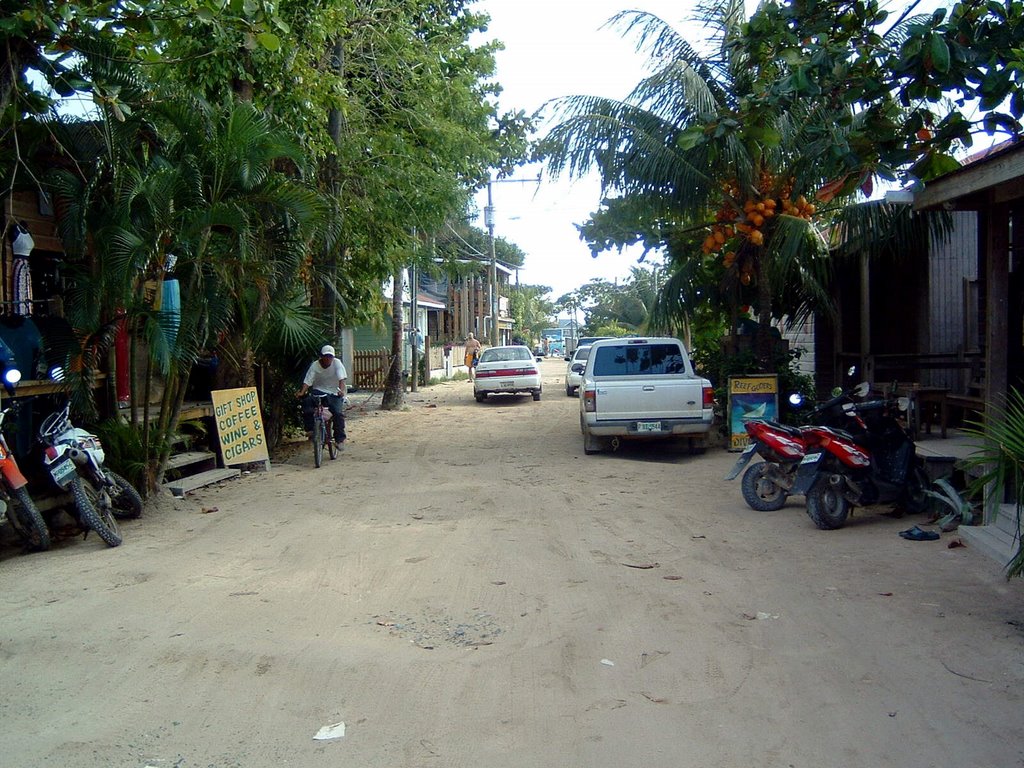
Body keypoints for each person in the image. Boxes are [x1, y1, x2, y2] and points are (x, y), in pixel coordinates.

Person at [296, 344, 347, 449]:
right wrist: (302, 392)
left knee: (337, 413)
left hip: (334, 392)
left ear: (333, 357)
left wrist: (341, 391)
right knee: (307, 403)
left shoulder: (337, 363)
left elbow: (341, 379)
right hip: (318, 391)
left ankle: (339, 439)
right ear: (321, 356)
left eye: (330, 356)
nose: (328, 359)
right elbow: (308, 380)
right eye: (326, 356)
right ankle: (310, 429)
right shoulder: (315, 365)